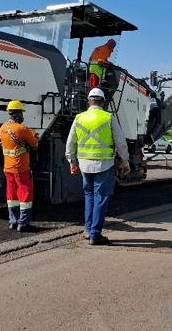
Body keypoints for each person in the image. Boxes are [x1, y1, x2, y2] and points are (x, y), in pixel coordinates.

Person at [65, 88, 131, 245]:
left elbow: (70, 143)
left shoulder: (79, 118)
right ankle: (95, 234)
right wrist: (125, 161)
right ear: (104, 102)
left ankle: (88, 230)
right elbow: (121, 143)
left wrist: (72, 162)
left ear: (89, 101)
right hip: (104, 164)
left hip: (84, 165)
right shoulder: (109, 117)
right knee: (100, 198)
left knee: (89, 196)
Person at [0, 100, 39, 231]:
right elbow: (35, 144)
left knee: (12, 195)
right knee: (25, 194)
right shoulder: (22, 129)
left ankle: (13, 221)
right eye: (21, 113)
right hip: (21, 167)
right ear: (18, 113)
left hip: (8, 167)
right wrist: (35, 136)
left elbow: (1, 142)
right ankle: (23, 223)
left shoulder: (3, 128)